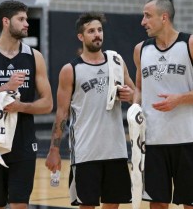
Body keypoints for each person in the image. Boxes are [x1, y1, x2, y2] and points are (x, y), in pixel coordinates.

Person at [132, 0, 193, 209]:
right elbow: (140, 88)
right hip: (153, 141)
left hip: (186, 138)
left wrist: (180, 99)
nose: (143, 21)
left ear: (164, 17)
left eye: (147, 15)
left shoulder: (192, 43)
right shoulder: (140, 49)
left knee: (192, 204)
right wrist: (134, 108)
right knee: (157, 204)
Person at [45, 12, 134, 209]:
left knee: (113, 205)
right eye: (91, 31)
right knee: (87, 205)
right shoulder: (71, 70)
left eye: (99, 30)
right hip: (86, 152)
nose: (97, 35)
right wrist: (54, 150)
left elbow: (136, 95)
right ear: (81, 36)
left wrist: (130, 95)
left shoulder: (116, 62)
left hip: (115, 150)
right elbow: (62, 113)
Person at [0, 0, 53, 209]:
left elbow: (47, 104)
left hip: (23, 143)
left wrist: (21, 107)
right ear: (6, 21)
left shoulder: (35, 57)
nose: (26, 23)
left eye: (26, 19)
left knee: (19, 205)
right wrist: (4, 87)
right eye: (21, 19)